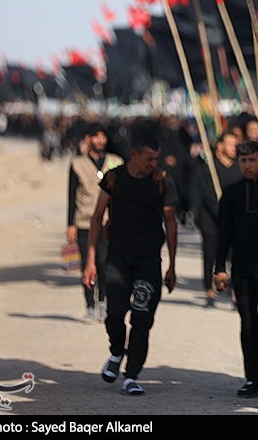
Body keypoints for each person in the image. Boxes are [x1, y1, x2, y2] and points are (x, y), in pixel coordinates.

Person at [82, 129, 179, 396]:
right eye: (149, 159)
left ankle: (131, 375)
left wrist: (171, 265)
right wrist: (90, 261)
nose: (154, 164)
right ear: (134, 155)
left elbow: (171, 223)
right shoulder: (114, 179)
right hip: (118, 259)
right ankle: (116, 351)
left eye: (156, 159)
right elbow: (96, 218)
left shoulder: (162, 181)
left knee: (142, 317)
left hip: (148, 260)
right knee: (114, 313)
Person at [214, 141, 258, 397]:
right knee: (247, 324)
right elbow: (223, 235)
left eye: (252, 160)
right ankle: (252, 377)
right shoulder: (231, 193)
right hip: (242, 268)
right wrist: (220, 268)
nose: (247, 165)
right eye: (243, 161)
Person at [67, 122, 124, 322]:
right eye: (96, 136)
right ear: (88, 139)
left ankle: (103, 301)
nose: (100, 140)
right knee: (87, 265)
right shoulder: (77, 163)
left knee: (105, 263)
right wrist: (70, 224)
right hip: (84, 220)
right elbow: (71, 195)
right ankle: (90, 305)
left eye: (103, 136)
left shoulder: (116, 162)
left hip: (109, 222)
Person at [195, 130, 242, 308]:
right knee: (210, 254)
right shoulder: (209, 168)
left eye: (235, 145)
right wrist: (221, 212)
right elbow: (206, 195)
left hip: (234, 220)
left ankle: (236, 292)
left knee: (236, 256)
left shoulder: (239, 168)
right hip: (212, 220)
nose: (233, 148)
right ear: (220, 146)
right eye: (230, 144)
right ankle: (209, 290)